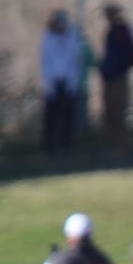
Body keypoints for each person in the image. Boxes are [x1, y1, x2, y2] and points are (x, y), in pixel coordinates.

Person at [39, 10, 84, 157]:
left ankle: (67, 146)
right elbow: (45, 61)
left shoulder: (72, 37)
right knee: (50, 117)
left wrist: (73, 82)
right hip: (53, 81)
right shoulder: (47, 38)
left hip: (68, 81)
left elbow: (75, 60)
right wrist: (48, 83)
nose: (61, 25)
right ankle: (48, 147)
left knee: (68, 117)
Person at [98, 3, 133, 146]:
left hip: (119, 77)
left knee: (119, 111)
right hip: (109, 76)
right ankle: (111, 143)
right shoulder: (112, 30)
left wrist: (118, 68)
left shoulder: (122, 30)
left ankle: (121, 145)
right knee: (109, 112)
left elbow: (132, 56)